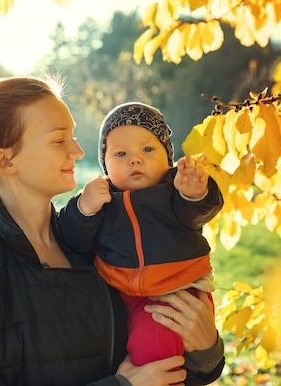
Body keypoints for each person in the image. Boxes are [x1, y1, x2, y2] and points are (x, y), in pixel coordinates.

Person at [0, 76, 225, 386]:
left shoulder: (100, 244)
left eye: (74, 136)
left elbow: (167, 366)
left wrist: (206, 349)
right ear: (5, 159)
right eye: (58, 139)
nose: (78, 151)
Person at [58, 102, 223, 368]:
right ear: (106, 166)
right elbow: (72, 239)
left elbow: (199, 212)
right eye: (120, 153)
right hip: (121, 290)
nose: (135, 159)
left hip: (175, 290)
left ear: (167, 157)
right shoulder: (102, 198)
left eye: (147, 149)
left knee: (155, 350)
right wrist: (84, 209)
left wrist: (194, 194)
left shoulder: (174, 192)